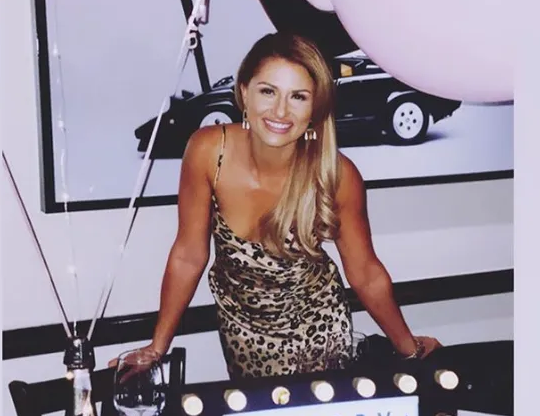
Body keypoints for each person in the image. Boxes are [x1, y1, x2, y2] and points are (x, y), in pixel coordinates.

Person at [129, 32, 441, 378]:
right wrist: (156, 348)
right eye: (268, 91)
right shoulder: (208, 151)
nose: (280, 110)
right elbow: (188, 255)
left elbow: (365, 273)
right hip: (240, 331)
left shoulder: (338, 176)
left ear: (315, 106)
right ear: (244, 91)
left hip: (319, 329)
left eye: (298, 96)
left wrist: (408, 349)